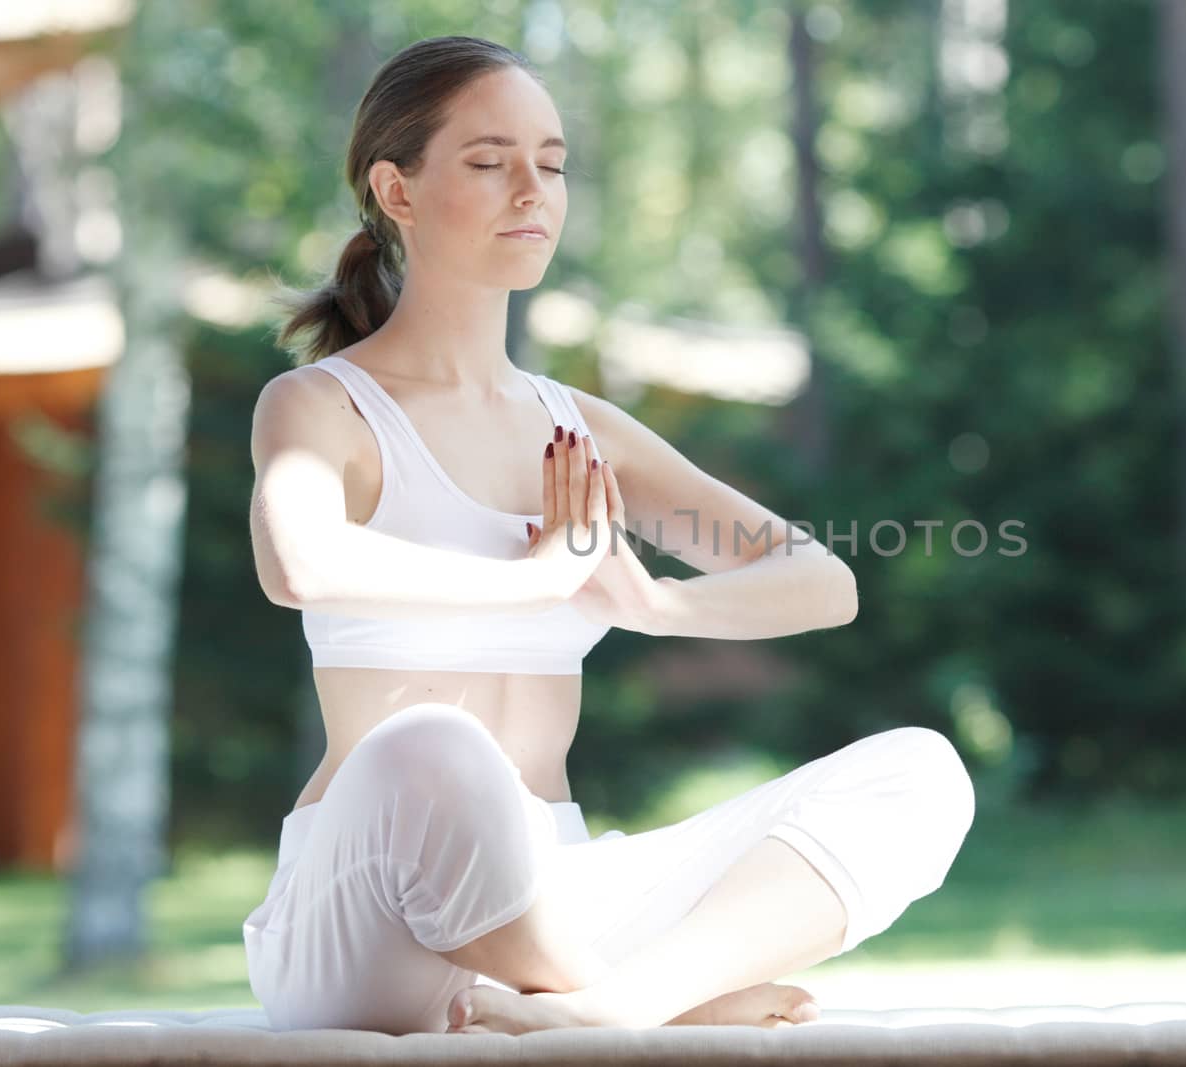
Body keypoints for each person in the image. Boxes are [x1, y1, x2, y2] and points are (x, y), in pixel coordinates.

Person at [242, 34, 975, 1037]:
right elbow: (301, 561)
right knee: (429, 746)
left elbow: (822, 580)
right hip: (361, 917)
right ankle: (653, 995)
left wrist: (657, 602)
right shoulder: (323, 407)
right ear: (397, 191)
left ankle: (616, 1002)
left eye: (551, 163)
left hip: (554, 885)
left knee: (920, 770)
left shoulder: (579, 429)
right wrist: (539, 578)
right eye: (490, 162)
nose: (531, 191)